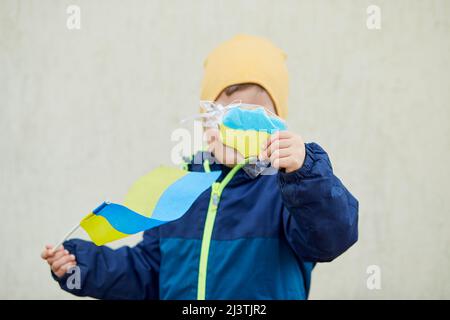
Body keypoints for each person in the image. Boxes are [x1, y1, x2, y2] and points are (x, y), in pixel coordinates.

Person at [41, 34, 358, 299]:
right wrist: (81, 267)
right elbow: (149, 270)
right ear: (207, 125)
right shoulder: (181, 188)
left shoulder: (288, 191)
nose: (241, 132)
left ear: (277, 127)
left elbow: (331, 237)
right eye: (231, 117)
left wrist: (306, 170)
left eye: (255, 119)